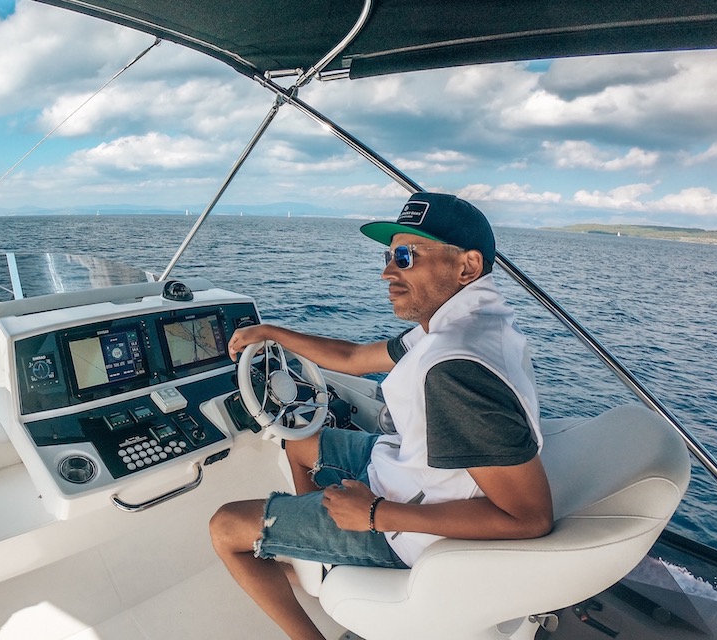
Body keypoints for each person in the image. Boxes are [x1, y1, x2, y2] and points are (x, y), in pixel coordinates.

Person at [209, 192, 553, 640]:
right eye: (389, 256)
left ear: (467, 266)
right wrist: (272, 332)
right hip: (409, 473)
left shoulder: (456, 368)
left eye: (406, 257)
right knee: (299, 442)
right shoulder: (462, 323)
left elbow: (529, 517)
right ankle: (322, 558)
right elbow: (353, 358)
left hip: (411, 526)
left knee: (226, 527)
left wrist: (374, 514)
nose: (388, 272)